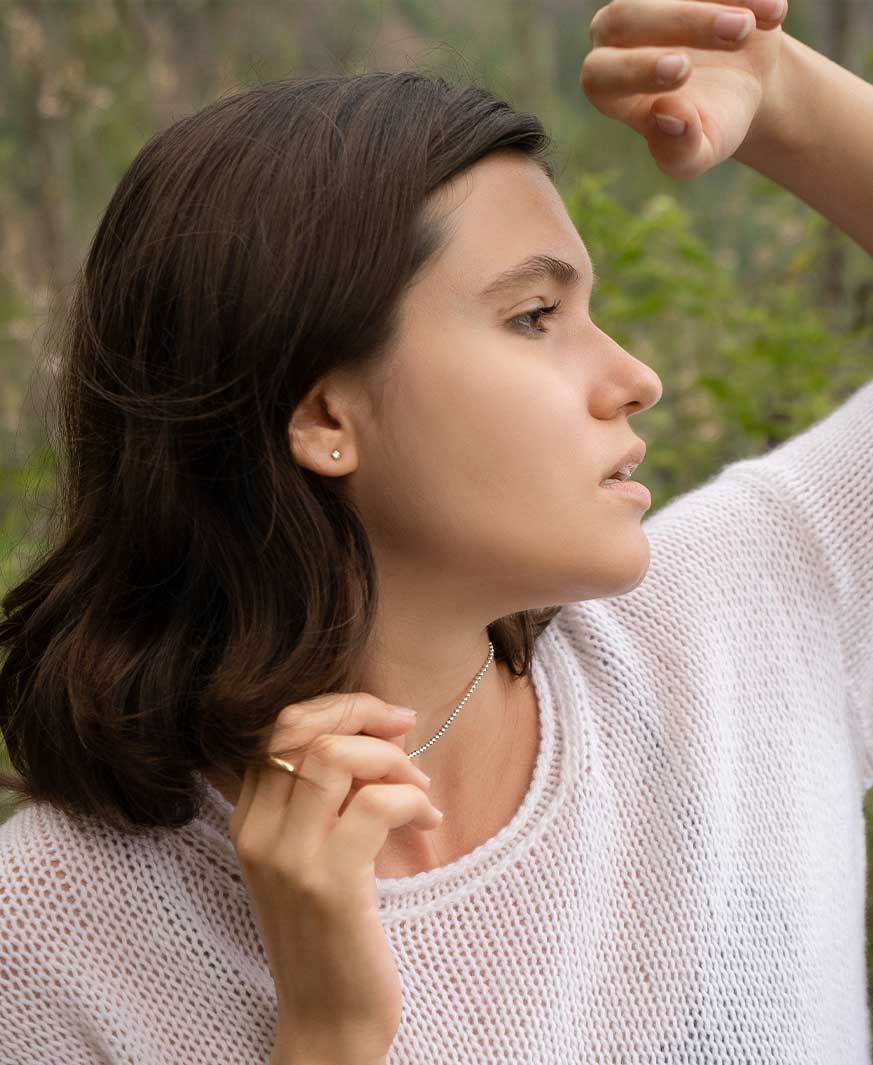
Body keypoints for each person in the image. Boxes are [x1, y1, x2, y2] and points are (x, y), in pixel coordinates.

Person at [0, 1, 871, 1062]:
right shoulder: (51, 928)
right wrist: (328, 1034)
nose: (633, 378)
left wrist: (786, 100)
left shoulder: (736, 618)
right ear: (325, 417)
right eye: (533, 318)